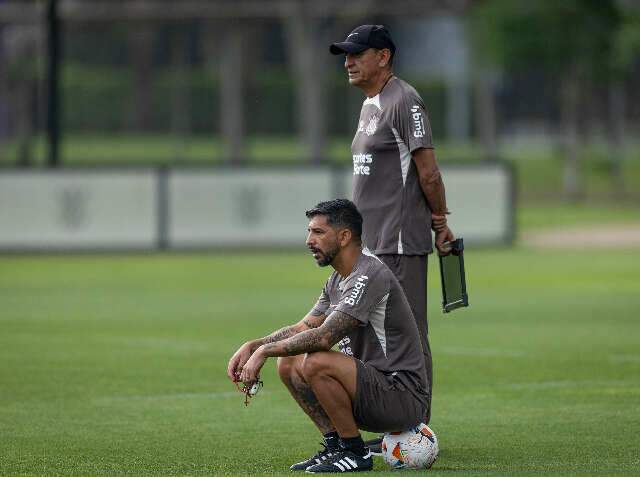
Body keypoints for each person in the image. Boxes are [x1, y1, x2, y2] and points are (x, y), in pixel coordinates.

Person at [227, 199, 429, 473]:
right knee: (287, 361)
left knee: (315, 361)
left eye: (318, 232)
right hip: (371, 390)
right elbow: (302, 329)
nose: (309, 240)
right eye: (310, 231)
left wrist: (264, 352)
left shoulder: (369, 274)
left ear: (345, 236)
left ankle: (355, 453)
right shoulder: (336, 280)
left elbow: (323, 338)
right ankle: (335, 445)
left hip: (401, 397)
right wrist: (254, 345)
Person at [329, 24, 456, 452]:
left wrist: (439, 222)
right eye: (345, 55)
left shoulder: (405, 100)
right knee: (365, 336)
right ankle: (384, 426)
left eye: (357, 54)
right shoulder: (369, 105)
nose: (348, 62)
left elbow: (429, 171)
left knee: (409, 337)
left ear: (383, 57)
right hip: (369, 245)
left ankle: (416, 430)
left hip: (399, 243)